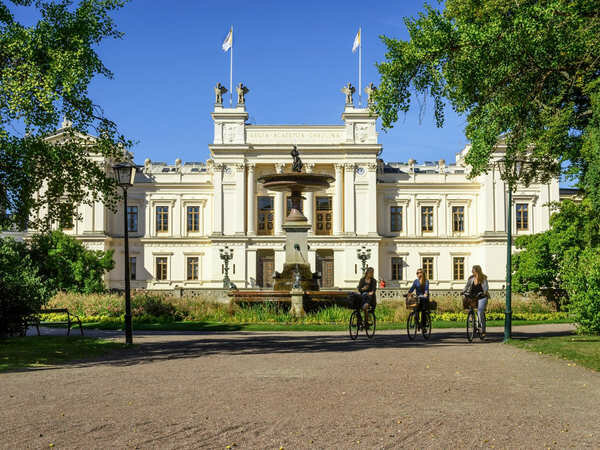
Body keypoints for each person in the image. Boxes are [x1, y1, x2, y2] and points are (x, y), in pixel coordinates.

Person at [462, 265, 489, 337]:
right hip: (473, 296)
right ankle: (473, 320)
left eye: (473, 270)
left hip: (482, 297)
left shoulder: (483, 278)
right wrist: (463, 291)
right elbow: (467, 286)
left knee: (480, 312)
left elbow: (486, 288)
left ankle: (483, 330)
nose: (472, 271)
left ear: (477, 271)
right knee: (469, 305)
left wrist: (484, 292)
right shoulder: (471, 278)